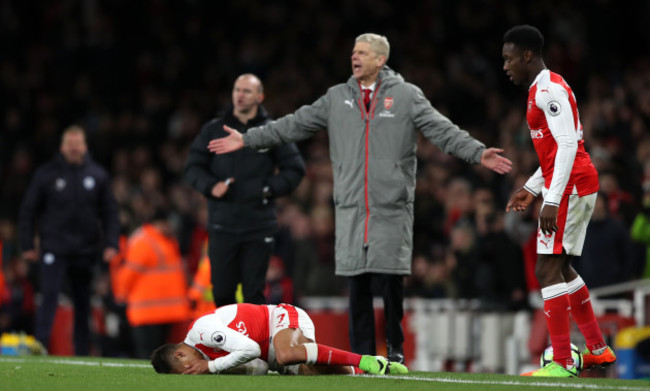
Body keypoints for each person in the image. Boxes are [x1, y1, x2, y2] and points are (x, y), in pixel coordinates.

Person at [208, 33, 512, 363]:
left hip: (391, 206)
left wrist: (478, 153)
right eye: (354, 52)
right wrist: (249, 139)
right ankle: (363, 355)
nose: (355, 57)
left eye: (363, 53)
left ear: (381, 60)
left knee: (392, 279)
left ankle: (394, 350)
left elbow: (442, 129)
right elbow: (293, 124)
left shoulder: (407, 96)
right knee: (358, 283)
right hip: (353, 207)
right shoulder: (337, 97)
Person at [502, 25, 616, 377]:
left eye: (508, 59)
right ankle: (596, 349)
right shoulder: (543, 87)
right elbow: (556, 151)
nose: (505, 67)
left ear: (527, 55)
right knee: (562, 268)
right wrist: (533, 188)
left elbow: (569, 145)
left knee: (546, 270)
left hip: (571, 186)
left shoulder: (548, 89)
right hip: (570, 183)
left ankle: (563, 361)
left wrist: (550, 199)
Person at [184, 74, 305, 307]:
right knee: (221, 293)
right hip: (222, 224)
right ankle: (228, 344)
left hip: (258, 225)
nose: (240, 95)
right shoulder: (214, 129)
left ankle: (253, 344)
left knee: (254, 294)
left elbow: (295, 170)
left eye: (247, 91)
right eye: (237, 90)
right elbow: (192, 166)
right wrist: (210, 186)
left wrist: (265, 189)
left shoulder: (271, 131)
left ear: (260, 97)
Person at [18, 125, 119, 355]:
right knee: (49, 296)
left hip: (85, 250)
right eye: (69, 144)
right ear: (62, 147)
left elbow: (110, 212)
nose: (74, 149)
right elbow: (28, 210)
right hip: (54, 247)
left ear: (85, 146)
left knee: (83, 302)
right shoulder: (47, 174)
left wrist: (111, 243)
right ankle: (40, 345)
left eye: (78, 144)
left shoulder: (97, 175)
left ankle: (82, 350)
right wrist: (26, 244)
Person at [150, 302, 408, 375]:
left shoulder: (201, 331)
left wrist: (211, 367)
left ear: (180, 354)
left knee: (287, 353)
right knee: (314, 374)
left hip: (280, 319)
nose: (195, 371)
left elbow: (250, 347)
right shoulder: (206, 356)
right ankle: (369, 369)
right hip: (270, 352)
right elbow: (260, 367)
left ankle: (364, 360)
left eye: (188, 369)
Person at [115, 209, 191, 359]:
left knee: (161, 355)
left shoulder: (166, 240)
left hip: (164, 310)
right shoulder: (144, 241)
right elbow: (129, 273)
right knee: (148, 353)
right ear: (160, 223)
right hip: (147, 311)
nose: (171, 227)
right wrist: (121, 294)